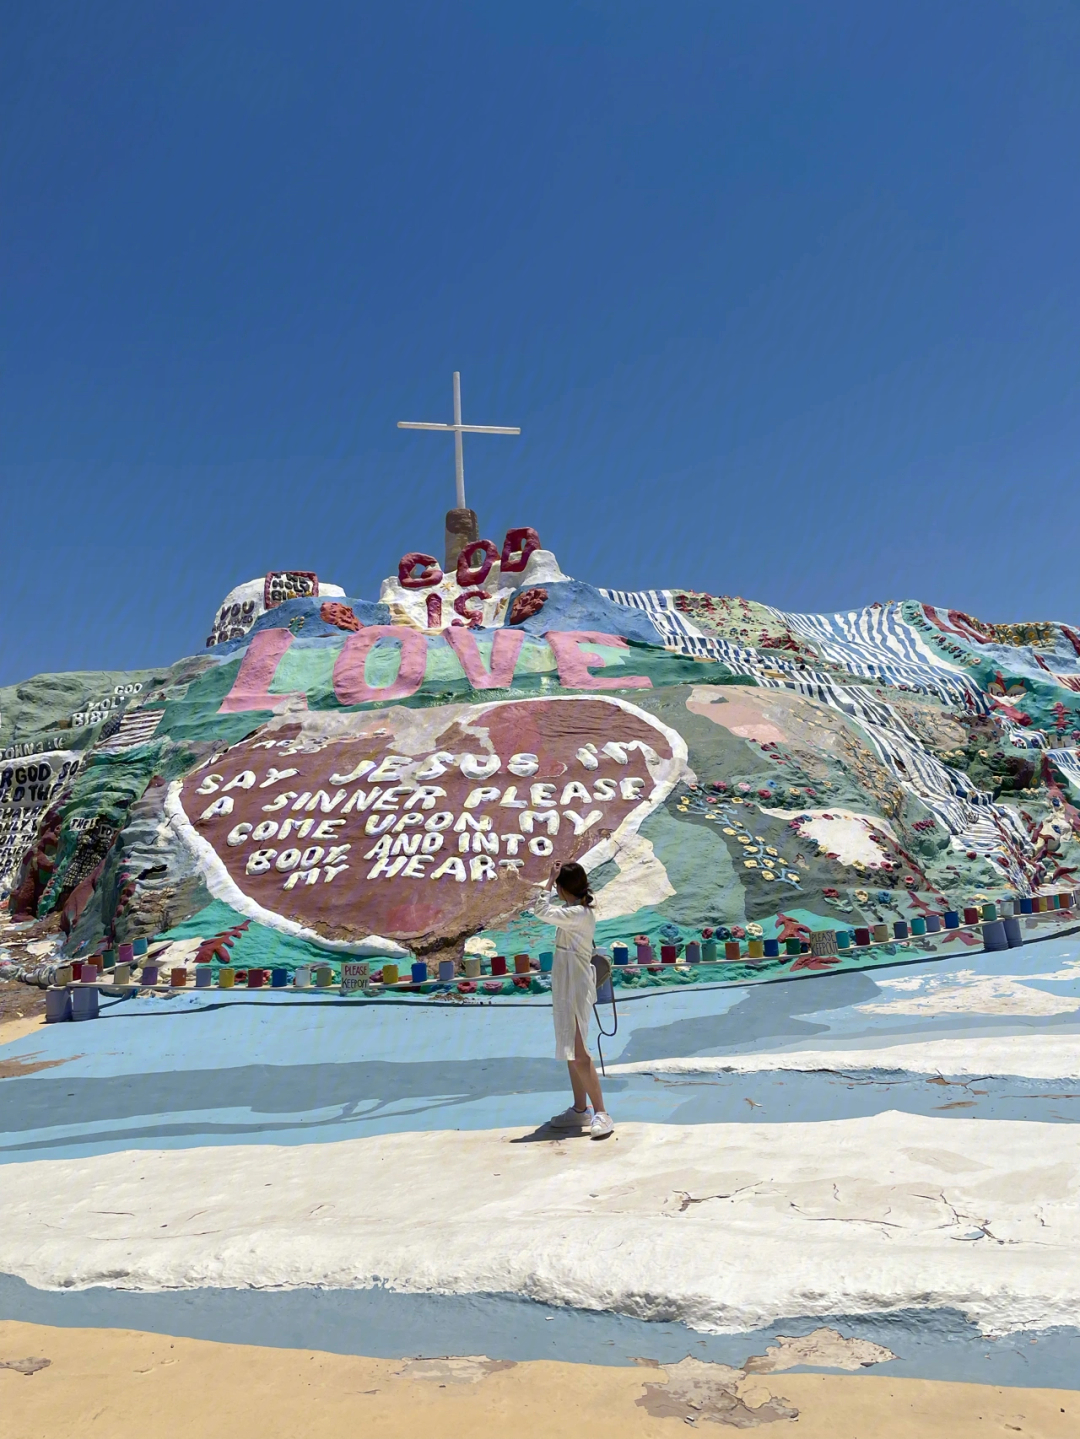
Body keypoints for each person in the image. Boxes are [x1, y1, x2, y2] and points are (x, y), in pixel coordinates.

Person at [531, 860, 614, 1139]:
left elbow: (540, 909)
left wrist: (548, 881)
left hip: (576, 984)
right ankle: (581, 1110)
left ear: (563, 889)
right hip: (565, 982)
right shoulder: (572, 910)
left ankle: (602, 1112)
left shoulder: (578, 914)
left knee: (579, 1052)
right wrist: (556, 880)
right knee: (570, 1048)